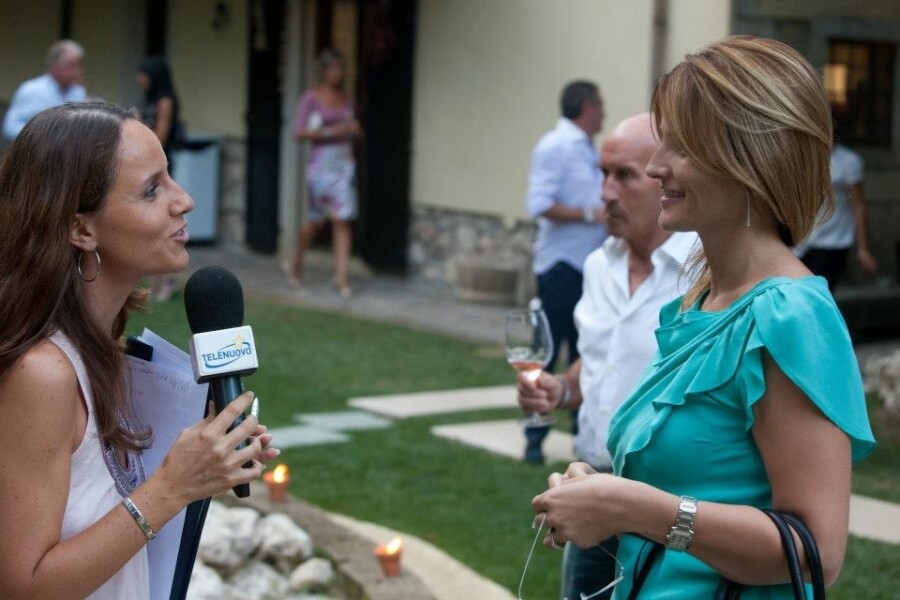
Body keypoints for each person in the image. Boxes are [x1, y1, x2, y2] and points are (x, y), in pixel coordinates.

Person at [531, 36, 875, 599]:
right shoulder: (702, 301)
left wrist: (634, 506)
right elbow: (701, 479)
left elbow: (816, 551)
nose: (655, 166)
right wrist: (603, 494)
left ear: (752, 161)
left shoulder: (789, 315)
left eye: (682, 148)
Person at [0, 102, 279, 599]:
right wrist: (171, 487)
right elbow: (25, 586)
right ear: (81, 229)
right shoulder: (42, 373)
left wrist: (203, 465)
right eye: (152, 189)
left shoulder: (103, 346)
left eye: (169, 177)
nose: (184, 200)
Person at [518, 113, 696, 600]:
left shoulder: (702, 272)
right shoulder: (599, 264)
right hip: (590, 487)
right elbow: (599, 359)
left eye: (624, 176)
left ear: (665, 180)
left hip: (663, 504)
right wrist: (562, 388)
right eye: (602, 174)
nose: (605, 192)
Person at [523, 80, 607, 464]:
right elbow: (539, 204)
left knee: (584, 351)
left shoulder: (586, 147)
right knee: (546, 353)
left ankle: (581, 437)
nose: (604, 113)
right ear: (586, 106)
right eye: (600, 105)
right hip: (560, 266)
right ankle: (534, 438)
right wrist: (591, 214)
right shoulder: (554, 145)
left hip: (589, 265)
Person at [287, 48, 362, 298]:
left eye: (341, 68)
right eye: (334, 68)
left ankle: (341, 278)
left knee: (343, 219)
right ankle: (296, 261)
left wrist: (353, 131)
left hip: (344, 164)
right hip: (321, 167)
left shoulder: (346, 98)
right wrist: (333, 131)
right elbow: (299, 132)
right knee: (316, 221)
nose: (339, 73)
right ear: (324, 71)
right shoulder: (311, 98)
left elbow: (351, 128)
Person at [795, 129, 878, 290]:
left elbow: (858, 205)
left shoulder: (848, 161)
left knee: (819, 291)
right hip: (803, 241)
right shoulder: (805, 157)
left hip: (833, 240)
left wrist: (862, 248)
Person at [136, 55, 182, 301]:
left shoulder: (165, 101)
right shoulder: (151, 98)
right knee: (152, 223)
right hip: (147, 167)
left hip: (160, 168)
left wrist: (138, 129)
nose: (139, 78)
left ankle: (165, 281)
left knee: (162, 222)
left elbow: (159, 137)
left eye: (143, 73)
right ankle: (156, 281)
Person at [3, 39, 86, 140]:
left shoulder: (77, 92)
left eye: (79, 65)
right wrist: (40, 137)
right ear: (55, 66)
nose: (77, 71)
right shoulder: (31, 89)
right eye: (72, 66)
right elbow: (10, 127)